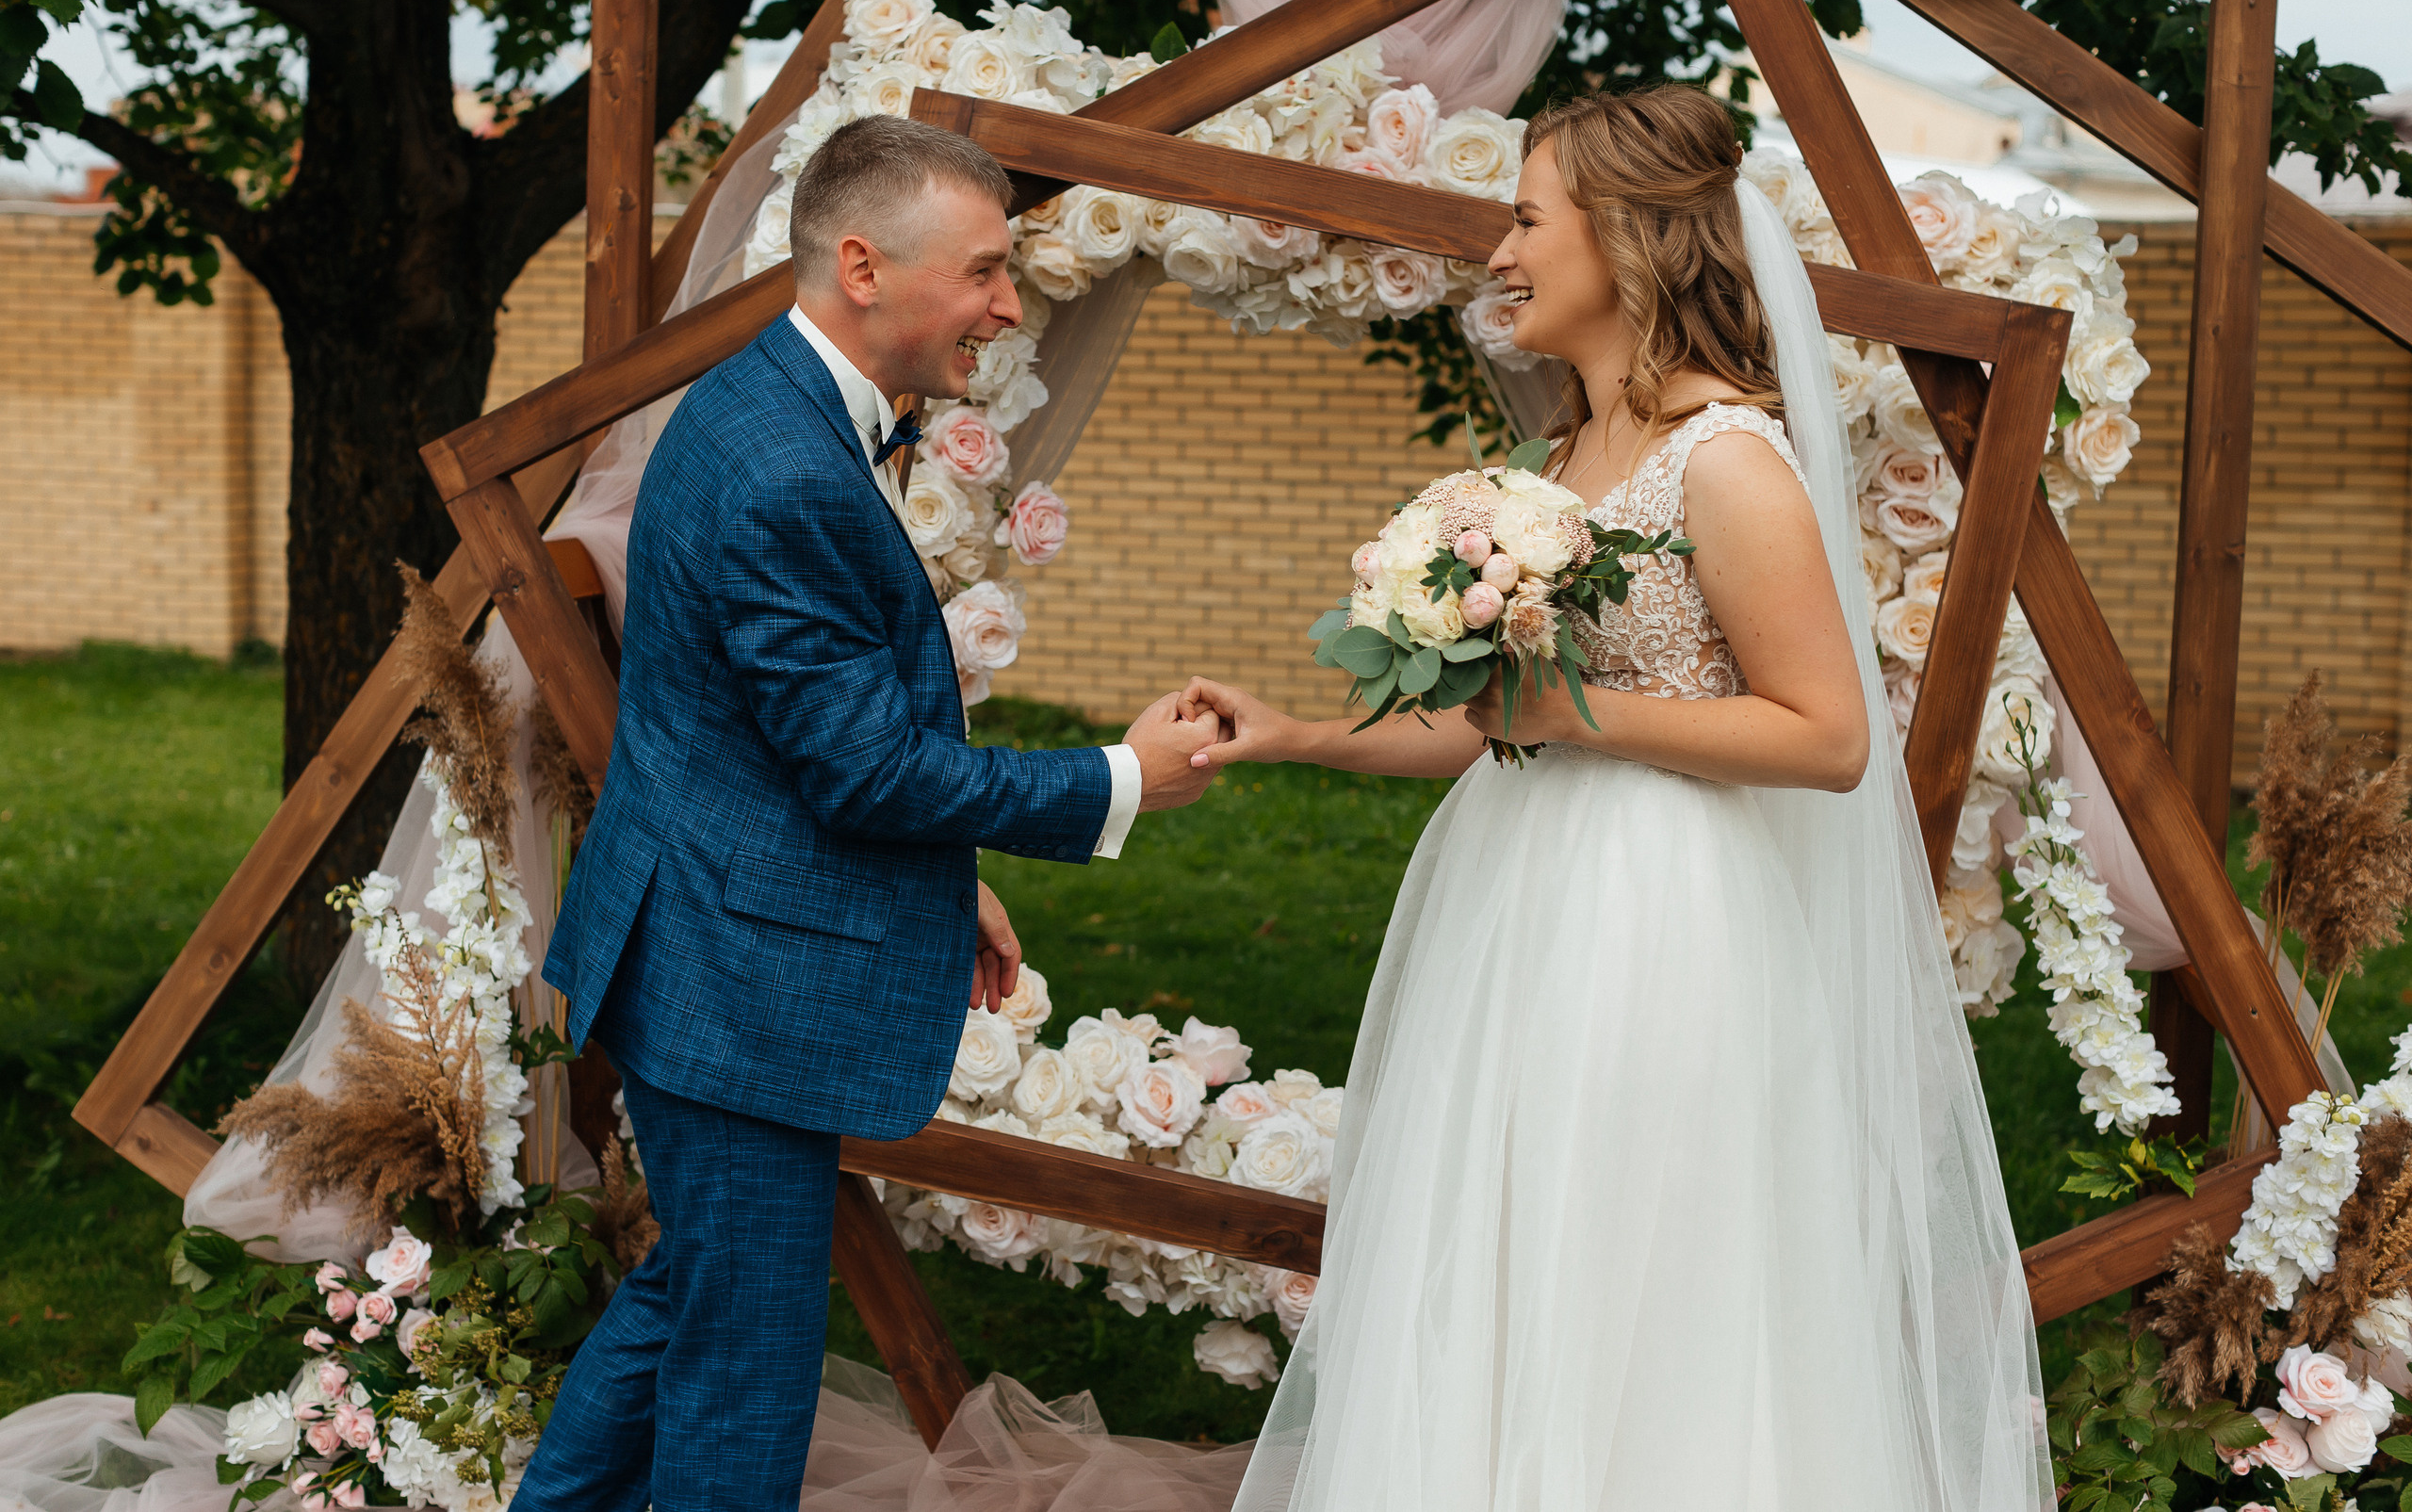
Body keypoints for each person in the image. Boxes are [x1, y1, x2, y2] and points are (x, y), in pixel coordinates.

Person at [1184, 88, 2048, 1510]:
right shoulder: (1553, 467)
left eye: (1528, 220)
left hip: (1663, 924)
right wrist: (1294, 735)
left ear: (1630, 241)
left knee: (1637, 1266)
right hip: (1516, 908)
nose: (1501, 254)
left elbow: (1830, 736)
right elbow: (1496, 735)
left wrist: (1576, 712)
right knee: (1504, 1248)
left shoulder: (1728, 464)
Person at [513, 114, 1221, 1512]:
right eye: (984, 270)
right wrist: (1120, 778)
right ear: (861, 265)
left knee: (691, 1295)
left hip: (705, 924)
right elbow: (864, 770)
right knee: (746, 1360)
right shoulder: (785, 466)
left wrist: (941, 880)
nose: (1010, 303)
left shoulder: (766, 402)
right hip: (737, 975)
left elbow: (769, 728)